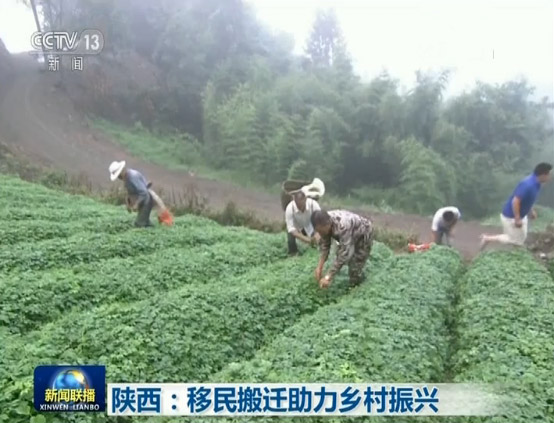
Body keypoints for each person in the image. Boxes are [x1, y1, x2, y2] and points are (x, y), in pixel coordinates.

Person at [480, 162, 552, 250]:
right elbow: (516, 201)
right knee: (516, 241)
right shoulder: (528, 184)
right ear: (543, 174)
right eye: (548, 174)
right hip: (511, 216)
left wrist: (531, 210)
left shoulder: (537, 184)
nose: (549, 177)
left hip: (522, 215)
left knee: (521, 238)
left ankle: (512, 250)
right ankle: (487, 239)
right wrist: (517, 219)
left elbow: (528, 199)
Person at [311, 209, 374, 289]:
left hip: (363, 233)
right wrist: (319, 267)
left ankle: (356, 287)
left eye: (321, 231)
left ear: (327, 224)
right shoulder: (323, 223)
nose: (320, 234)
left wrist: (328, 277)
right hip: (349, 233)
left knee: (355, 263)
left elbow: (345, 254)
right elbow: (325, 246)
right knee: (340, 256)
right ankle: (344, 275)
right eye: (318, 231)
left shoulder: (343, 226)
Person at [109, 160, 154, 227]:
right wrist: (128, 203)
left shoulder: (132, 177)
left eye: (118, 175)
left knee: (139, 223)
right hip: (142, 200)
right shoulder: (126, 178)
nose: (119, 178)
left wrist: (136, 204)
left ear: (122, 171)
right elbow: (130, 192)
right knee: (145, 221)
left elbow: (143, 193)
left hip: (146, 200)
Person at [285, 191, 321, 256]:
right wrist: (305, 239)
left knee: (319, 240)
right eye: (298, 206)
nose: (300, 208)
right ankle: (293, 254)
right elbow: (291, 228)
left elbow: (320, 221)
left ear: (305, 199)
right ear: (294, 201)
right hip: (298, 227)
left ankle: (317, 254)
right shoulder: (290, 208)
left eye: (302, 205)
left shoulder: (313, 204)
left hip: (311, 225)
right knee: (290, 239)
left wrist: (317, 233)